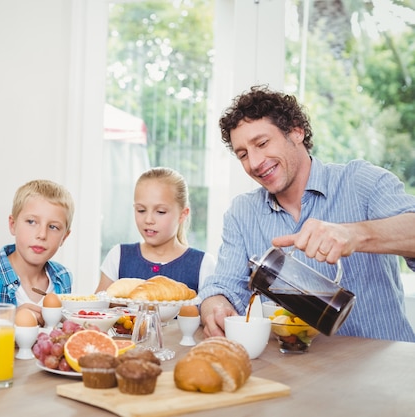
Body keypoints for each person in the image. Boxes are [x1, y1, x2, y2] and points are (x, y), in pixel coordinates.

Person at [199, 84, 415, 342]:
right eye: (243, 154)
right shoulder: (242, 213)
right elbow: (224, 285)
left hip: (385, 368)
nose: (254, 163)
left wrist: (354, 235)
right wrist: (214, 304)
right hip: (297, 371)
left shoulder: (361, 182)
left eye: (263, 143)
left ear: (296, 131)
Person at [0, 179, 74, 325]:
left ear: (65, 237)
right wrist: (8, 319)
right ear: (13, 225)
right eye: (31, 222)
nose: (42, 234)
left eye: (53, 227)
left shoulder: (64, 277)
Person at [96, 167, 216, 294]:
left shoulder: (203, 264)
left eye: (160, 212)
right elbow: (97, 308)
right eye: (141, 210)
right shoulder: (118, 256)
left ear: (183, 214)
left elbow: (208, 311)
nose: (148, 220)